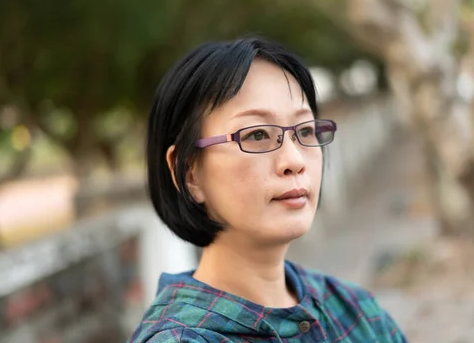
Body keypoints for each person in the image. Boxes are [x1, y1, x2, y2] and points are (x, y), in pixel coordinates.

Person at [130, 37, 408, 342]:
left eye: (304, 130)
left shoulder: (355, 311)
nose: (294, 160)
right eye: (257, 134)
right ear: (189, 173)